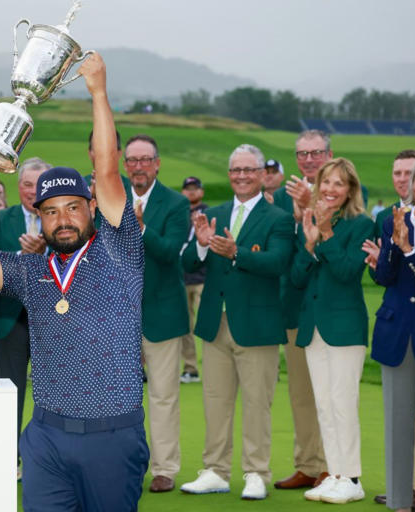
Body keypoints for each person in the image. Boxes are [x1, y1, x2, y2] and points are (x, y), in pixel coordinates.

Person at [0, 52, 150, 512]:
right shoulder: (32, 272)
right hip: (46, 436)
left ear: (92, 209)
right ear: (39, 219)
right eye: (51, 211)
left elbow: (107, 169)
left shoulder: (120, 250)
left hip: (113, 433)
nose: (63, 219)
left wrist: (99, 92)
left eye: (73, 207)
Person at [180, 144, 293, 500]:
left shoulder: (279, 219)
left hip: (256, 326)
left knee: (258, 403)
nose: (241, 175)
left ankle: (257, 472)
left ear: (261, 175)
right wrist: (199, 245)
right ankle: (215, 470)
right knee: (215, 401)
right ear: (229, 175)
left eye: (248, 169)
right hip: (216, 323)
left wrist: (237, 252)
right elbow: (186, 264)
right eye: (235, 170)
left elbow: (277, 263)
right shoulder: (213, 213)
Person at [290, 157, 373, 503]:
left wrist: (325, 234)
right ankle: (335, 473)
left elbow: (346, 273)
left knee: (342, 403)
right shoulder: (310, 220)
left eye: (339, 183)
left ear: (350, 189)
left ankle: (352, 479)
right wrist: (309, 243)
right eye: (326, 182)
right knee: (324, 404)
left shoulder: (362, 225)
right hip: (314, 327)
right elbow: (296, 278)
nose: (330, 189)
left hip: (344, 327)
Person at [122, 133, 190, 493]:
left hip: (162, 315)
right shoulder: (110, 198)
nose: (138, 167)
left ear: (157, 164)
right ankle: (123, 463)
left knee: (163, 395)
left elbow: (168, 252)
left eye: (145, 160)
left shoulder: (176, 204)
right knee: (119, 396)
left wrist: (140, 227)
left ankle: (164, 468)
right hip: (117, 315)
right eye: (132, 161)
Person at [0, 156, 50, 478]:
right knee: (9, 395)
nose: (32, 190)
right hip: (8, 318)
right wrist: (24, 258)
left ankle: (48, 462)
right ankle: (8, 461)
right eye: (25, 184)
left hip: (53, 320)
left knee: (54, 395)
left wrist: (45, 255)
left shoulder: (62, 218)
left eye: (39, 184)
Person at [272, 130, 332, 490]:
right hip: (295, 305)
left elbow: (332, 246)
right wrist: (296, 218)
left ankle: (331, 466)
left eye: (315, 152)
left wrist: (310, 206)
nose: (308, 160)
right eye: (302, 154)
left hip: (329, 307)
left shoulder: (345, 189)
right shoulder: (280, 196)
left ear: (329, 153)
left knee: (330, 392)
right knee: (301, 393)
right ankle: (308, 465)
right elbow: (286, 255)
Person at [363, 149, 415, 508]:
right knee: (397, 425)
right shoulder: (393, 219)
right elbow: (385, 277)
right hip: (398, 333)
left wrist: (408, 250)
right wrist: (383, 256)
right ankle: (399, 500)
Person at [181, 176, 208, 382]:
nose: (191, 192)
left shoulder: (209, 212)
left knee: (208, 323)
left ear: (201, 192)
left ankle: (213, 366)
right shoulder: (178, 213)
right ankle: (190, 368)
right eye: (188, 189)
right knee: (186, 326)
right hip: (182, 278)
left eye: (195, 188)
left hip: (204, 278)